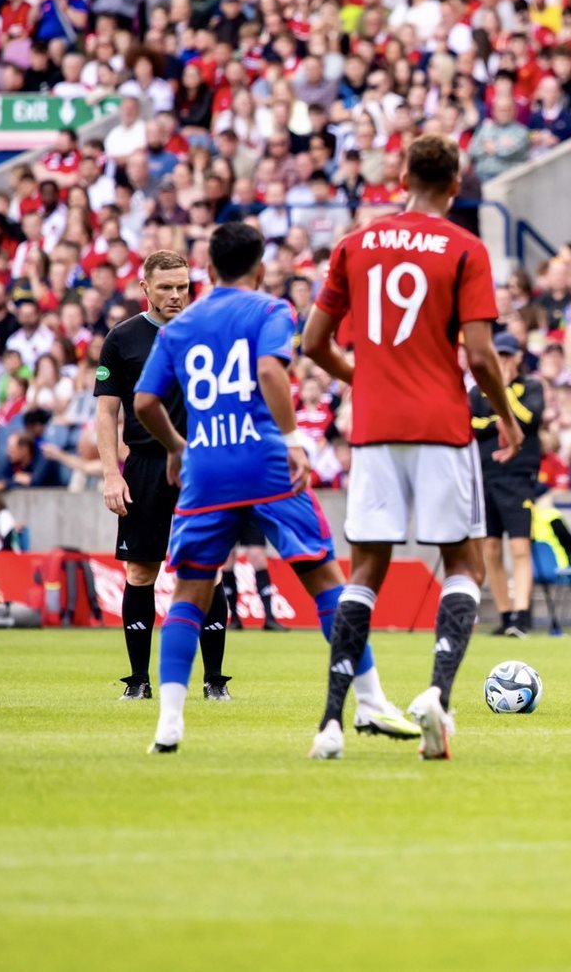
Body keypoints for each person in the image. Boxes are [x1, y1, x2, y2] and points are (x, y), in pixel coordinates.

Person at [138, 223, 418, 755]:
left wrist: (176, 447)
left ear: (208, 271)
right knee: (326, 580)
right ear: (261, 269)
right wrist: (293, 441)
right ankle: (371, 701)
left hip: (206, 468)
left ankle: (168, 724)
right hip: (265, 464)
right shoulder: (271, 310)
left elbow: (144, 403)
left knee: (189, 593)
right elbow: (269, 369)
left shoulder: (180, 326)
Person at [302, 134, 522, 761]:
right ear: (456, 186)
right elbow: (481, 355)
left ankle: (330, 724)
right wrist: (507, 417)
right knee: (465, 564)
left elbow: (313, 343)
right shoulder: (465, 247)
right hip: (441, 426)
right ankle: (438, 699)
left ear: (401, 179)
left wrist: (365, 380)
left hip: (374, 429)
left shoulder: (355, 243)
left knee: (364, 571)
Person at [93, 251, 231, 701]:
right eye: (166, 287)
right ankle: (138, 681)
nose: (175, 295)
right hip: (146, 465)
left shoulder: (208, 331)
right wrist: (111, 474)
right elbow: (106, 413)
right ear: (145, 288)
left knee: (207, 568)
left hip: (201, 464)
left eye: (182, 287)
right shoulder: (122, 338)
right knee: (140, 570)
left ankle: (214, 681)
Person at [469, 331, 544, 638]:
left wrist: (503, 391)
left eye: (507, 356)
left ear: (518, 358)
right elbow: (471, 425)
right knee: (490, 547)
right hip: (485, 474)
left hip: (518, 476)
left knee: (520, 546)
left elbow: (529, 419)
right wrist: (496, 422)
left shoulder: (531, 387)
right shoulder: (477, 391)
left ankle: (521, 615)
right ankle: (504, 613)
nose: (502, 361)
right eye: (498, 355)